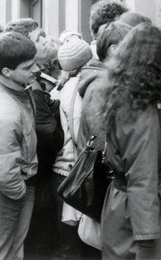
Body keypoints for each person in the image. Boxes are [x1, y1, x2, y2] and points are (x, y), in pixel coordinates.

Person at [101, 23, 161, 259]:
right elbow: (142, 177)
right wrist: (147, 238)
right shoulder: (140, 108)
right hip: (144, 210)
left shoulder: (123, 95)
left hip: (126, 205)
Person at [51, 39, 93, 259]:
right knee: (78, 244)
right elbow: (82, 138)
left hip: (61, 172)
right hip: (74, 175)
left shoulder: (59, 89)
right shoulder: (77, 90)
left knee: (69, 244)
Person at [0, 32, 39, 260]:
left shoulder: (20, 91)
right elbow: (4, 170)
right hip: (10, 193)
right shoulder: (6, 113)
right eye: (28, 67)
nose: (36, 70)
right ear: (7, 72)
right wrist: (19, 193)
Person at [77, 21, 131, 152]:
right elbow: (102, 143)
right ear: (114, 49)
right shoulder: (100, 86)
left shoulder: (107, 81)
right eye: (131, 46)